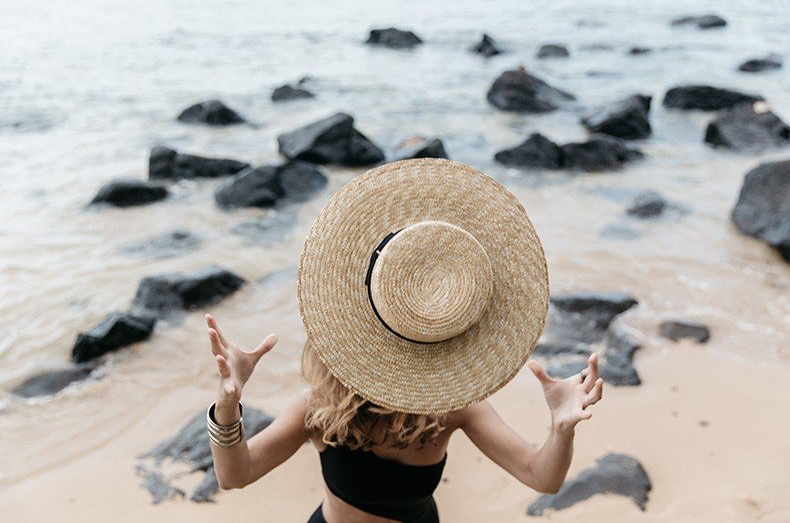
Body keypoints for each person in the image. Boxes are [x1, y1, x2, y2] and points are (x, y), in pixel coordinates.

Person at [204, 159, 604, 523]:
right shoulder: (320, 408)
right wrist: (227, 405)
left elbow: (541, 476)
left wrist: (561, 428)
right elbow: (236, 475)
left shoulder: (454, 408)